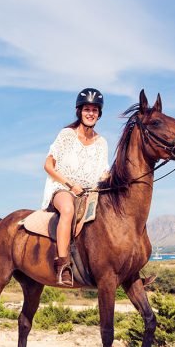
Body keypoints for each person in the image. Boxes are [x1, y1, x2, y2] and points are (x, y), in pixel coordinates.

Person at [42, 88, 110, 286]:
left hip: (90, 192)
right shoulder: (66, 135)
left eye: (94, 110)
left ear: (99, 114)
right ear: (79, 111)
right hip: (62, 188)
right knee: (68, 209)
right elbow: (48, 165)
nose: (90, 113)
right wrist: (70, 185)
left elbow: (103, 172)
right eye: (87, 109)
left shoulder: (102, 142)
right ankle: (63, 265)